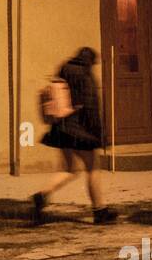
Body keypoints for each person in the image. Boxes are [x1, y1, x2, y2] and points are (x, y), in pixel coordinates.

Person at [32, 47, 114, 226]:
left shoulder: (64, 69)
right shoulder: (85, 74)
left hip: (61, 127)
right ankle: (100, 211)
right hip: (80, 130)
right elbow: (91, 106)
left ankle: (43, 194)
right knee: (92, 168)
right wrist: (98, 135)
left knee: (69, 168)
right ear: (90, 61)